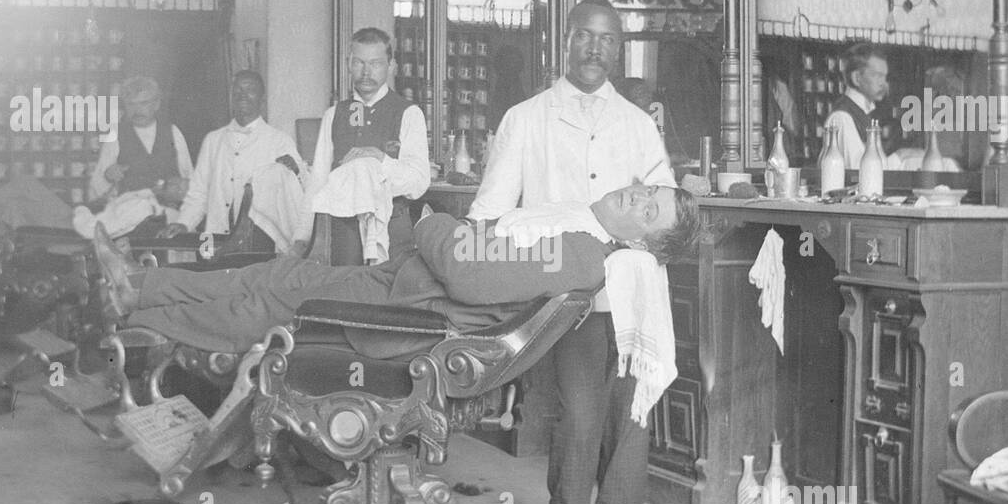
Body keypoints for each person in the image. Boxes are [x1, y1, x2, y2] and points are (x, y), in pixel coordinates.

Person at [470, 0, 677, 504]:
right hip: (568, 299)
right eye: (585, 36)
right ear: (565, 40)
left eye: (608, 39)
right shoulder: (526, 118)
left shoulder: (637, 127)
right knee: (580, 416)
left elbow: (665, 209)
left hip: (632, 295)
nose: (595, 48)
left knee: (629, 414)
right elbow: (488, 214)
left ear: (619, 48)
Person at [94, 182, 699, 359]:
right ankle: (138, 286)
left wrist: (432, 219)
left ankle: (138, 313)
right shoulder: (574, 224)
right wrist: (448, 233)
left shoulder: (582, 252)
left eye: (649, 211)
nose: (636, 198)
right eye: (645, 189)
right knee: (274, 271)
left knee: (272, 296)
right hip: (406, 288)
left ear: (645, 246)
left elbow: (469, 273)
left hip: (407, 317)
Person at [308, 27, 430, 265]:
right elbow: (317, 181)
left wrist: (381, 160)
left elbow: (419, 182)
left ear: (391, 65)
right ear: (348, 64)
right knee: (344, 295)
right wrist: (302, 238)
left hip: (392, 231)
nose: (366, 72)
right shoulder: (334, 115)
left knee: (385, 298)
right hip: (343, 232)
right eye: (359, 63)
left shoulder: (408, 113)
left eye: (375, 63)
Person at [162, 70, 312, 256]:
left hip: (260, 242)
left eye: (250, 90)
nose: (243, 95)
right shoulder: (213, 140)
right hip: (215, 239)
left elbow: (297, 194)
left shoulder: (280, 141)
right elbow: (199, 193)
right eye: (237, 90)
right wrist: (184, 223)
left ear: (262, 99)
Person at [86, 76, 192, 202]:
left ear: (156, 104)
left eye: (144, 103)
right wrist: (108, 176)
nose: (137, 110)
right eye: (131, 104)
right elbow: (96, 188)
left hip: (169, 212)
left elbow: (189, 178)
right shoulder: (115, 135)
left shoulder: (172, 131)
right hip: (130, 212)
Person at [824, 43, 902, 168]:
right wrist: (900, 157)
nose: (883, 83)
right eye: (876, 75)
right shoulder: (843, 117)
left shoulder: (864, 113)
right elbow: (859, 171)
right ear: (856, 78)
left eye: (884, 77)